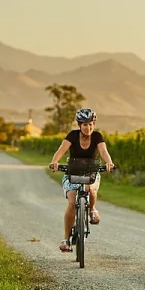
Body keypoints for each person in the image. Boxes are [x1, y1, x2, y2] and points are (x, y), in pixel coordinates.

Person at [49, 108, 116, 253]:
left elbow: (103, 152)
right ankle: (66, 240)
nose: (88, 127)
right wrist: (54, 161)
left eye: (91, 124)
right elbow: (62, 149)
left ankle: (92, 209)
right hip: (73, 172)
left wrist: (109, 162)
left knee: (90, 189)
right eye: (85, 124)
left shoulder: (97, 136)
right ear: (79, 125)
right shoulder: (72, 135)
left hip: (91, 171)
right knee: (72, 202)